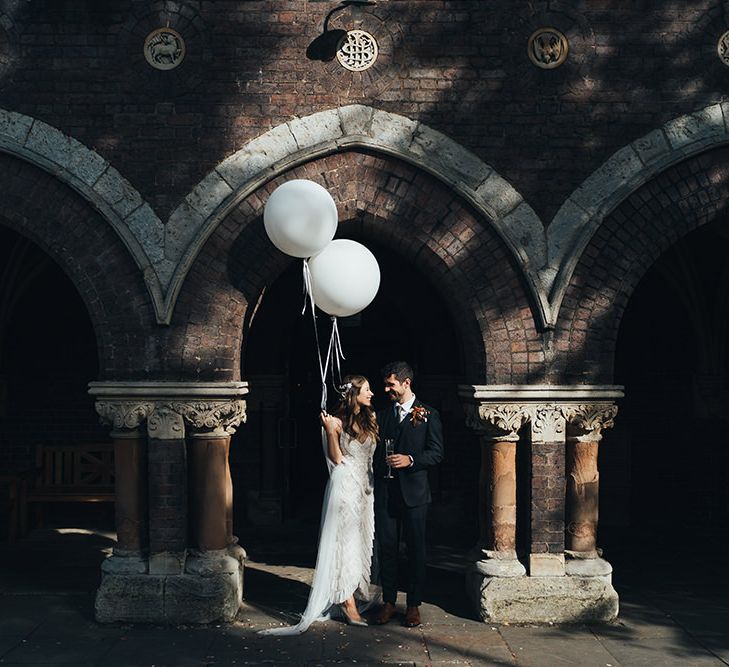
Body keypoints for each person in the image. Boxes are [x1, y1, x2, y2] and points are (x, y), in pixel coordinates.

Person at [259, 375, 378, 635]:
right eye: (367, 390)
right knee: (344, 544)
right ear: (354, 394)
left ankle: (350, 594)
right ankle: (347, 602)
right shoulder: (334, 421)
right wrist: (329, 431)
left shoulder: (370, 419)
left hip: (365, 489)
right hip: (345, 485)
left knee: (359, 541)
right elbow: (335, 458)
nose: (372, 393)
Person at [373, 361, 444, 628]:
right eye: (386, 384)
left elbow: (437, 452)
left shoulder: (428, 414)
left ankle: (413, 605)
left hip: (415, 495)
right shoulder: (382, 416)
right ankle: (389, 602)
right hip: (386, 492)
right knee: (387, 548)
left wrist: (412, 459)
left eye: (391, 384)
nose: (386, 389)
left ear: (406, 383)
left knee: (416, 550)